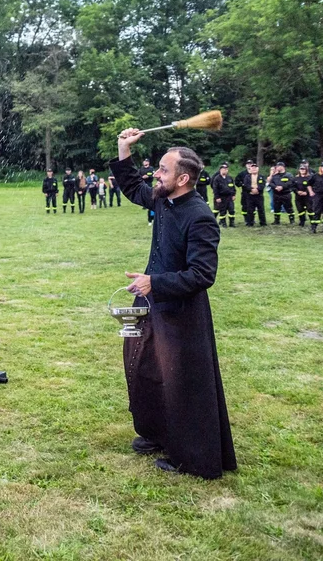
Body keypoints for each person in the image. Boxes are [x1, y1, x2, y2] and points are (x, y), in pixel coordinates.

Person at [110, 128, 237, 479]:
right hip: (153, 304)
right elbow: (135, 189)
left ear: (183, 178)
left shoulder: (200, 217)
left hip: (182, 315)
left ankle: (193, 458)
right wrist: (124, 150)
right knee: (146, 370)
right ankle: (156, 433)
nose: (156, 175)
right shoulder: (164, 199)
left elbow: (202, 274)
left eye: (163, 170)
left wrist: (155, 282)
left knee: (182, 384)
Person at [235, 160, 267, 227]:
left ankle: (263, 223)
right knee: (250, 210)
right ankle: (250, 223)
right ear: (250, 169)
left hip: (259, 195)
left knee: (261, 209)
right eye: (253, 168)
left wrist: (257, 189)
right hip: (250, 195)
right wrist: (251, 189)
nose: (254, 169)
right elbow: (246, 185)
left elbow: (263, 185)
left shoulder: (261, 176)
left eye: (255, 167)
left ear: (258, 169)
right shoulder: (247, 176)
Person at [212, 163, 236, 228]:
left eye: (226, 169)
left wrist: (234, 195)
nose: (225, 170)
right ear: (220, 170)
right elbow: (215, 189)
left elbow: (233, 187)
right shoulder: (217, 178)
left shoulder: (230, 178)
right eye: (223, 169)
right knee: (223, 211)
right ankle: (223, 223)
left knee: (231, 210)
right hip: (221, 197)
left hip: (229, 197)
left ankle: (232, 222)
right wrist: (217, 197)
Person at [291, 163, 313, 227]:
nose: (302, 170)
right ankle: (302, 221)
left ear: (306, 170)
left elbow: (313, 186)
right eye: (301, 169)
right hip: (298, 197)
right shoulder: (295, 178)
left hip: (307, 197)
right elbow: (292, 187)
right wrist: (297, 191)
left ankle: (312, 221)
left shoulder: (310, 178)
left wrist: (306, 192)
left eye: (304, 169)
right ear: (299, 170)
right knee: (300, 209)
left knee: (310, 209)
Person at [140, 158, 155, 225]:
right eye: (144, 161)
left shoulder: (151, 168)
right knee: (143, 194)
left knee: (149, 195)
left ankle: (148, 205)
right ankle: (144, 205)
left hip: (149, 183)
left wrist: (148, 176)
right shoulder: (141, 169)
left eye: (146, 161)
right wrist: (142, 177)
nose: (145, 162)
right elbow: (138, 175)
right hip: (143, 183)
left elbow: (153, 175)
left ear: (148, 162)